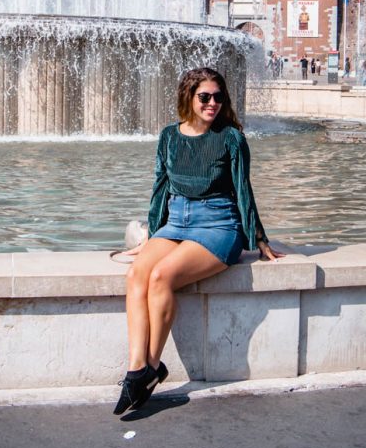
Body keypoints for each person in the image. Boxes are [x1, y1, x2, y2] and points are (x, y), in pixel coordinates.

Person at [113, 67, 284, 415]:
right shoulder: (169, 137)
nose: (212, 103)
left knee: (162, 277)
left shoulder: (231, 138)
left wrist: (259, 238)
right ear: (188, 98)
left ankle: (151, 364)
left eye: (218, 97)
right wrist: (151, 235)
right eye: (204, 97)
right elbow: (161, 188)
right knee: (137, 274)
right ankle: (137, 369)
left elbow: (243, 189)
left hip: (219, 225)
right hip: (176, 222)